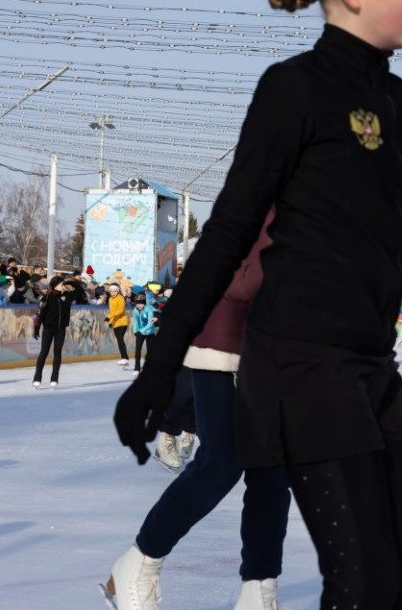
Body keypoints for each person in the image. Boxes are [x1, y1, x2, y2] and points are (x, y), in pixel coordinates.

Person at [113, 0, 402, 610]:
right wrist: (160, 370)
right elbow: (226, 234)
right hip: (297, 363)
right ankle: (227, 577)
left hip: (372, 366)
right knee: (361, 581)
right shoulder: (295, 89)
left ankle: (258, 584)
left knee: (392, 578)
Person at [104, 222, 292, 610]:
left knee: (273, 472)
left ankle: (258, 591)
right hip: (227, 330)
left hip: (287, 339)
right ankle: (138, 564)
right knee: (220, 464)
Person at [32, 276, 73, 389]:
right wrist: (36, 328)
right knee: (44, 352)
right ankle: (37, 376)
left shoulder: (66, 297)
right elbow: (40, 315)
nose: (63, 286)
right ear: (55, 285)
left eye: (63, 284)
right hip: (49, 329)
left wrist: (67, 283)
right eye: (61, 284)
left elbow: (77, 290)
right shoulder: (47, 298)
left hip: (61, 329)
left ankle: (54, 377)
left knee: (57, 352)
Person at [132, 292, 159, 376]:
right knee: (137, 350)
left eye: (141, 303)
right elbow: (136, 321)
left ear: (144, 303)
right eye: (137, 303)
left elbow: (150, 323)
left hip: (150, 332)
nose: (139, 305)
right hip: (140, 332)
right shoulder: (135, 310)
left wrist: (142, 330)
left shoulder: (149, 310)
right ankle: (137, 368)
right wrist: (135, 330)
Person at [107, 282, 132, 369]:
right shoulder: (110, 299)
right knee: (119, 340)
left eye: (114, 291)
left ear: (117, 291)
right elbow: (111, 311)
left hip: (122, 322)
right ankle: (124, 359)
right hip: (115, 323)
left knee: (120, 338)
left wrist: (109, 317)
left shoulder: (121, 298)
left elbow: (120, 311)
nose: (113, 293)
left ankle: (125, 358)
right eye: (111, 291)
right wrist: (110, 321)